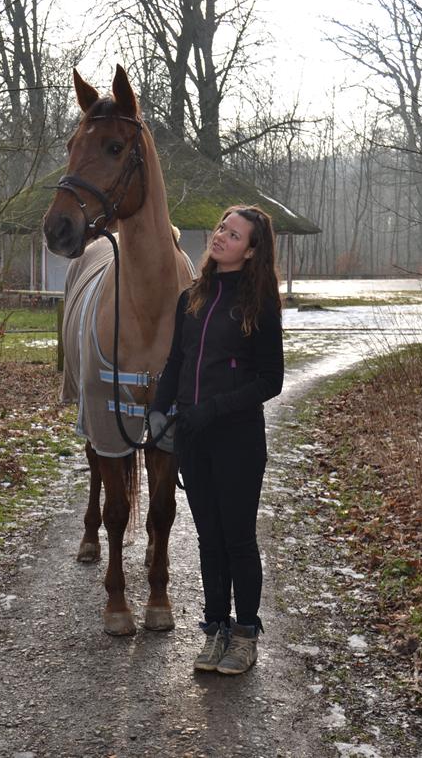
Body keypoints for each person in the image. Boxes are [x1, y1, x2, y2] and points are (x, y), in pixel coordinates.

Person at [148, 204, 284, 675]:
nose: (221, 236)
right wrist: (158, 410)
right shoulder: (192, 297)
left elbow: (271, 381)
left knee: (238, 538)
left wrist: (214, 409)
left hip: (237, 440)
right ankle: (215, 629)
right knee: (209, 538)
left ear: (251, 251)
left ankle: (245, 634)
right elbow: (176, 362)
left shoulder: (259, 303)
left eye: (234, 234)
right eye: (223, 228)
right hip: (193, 439)